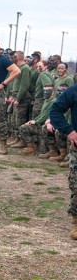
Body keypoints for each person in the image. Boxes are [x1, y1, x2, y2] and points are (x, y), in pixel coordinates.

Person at [48, 83, 77, 240]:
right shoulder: (73, 91)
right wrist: (70, 132)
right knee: (76, 184)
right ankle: (76, 220)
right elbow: (55, 112)